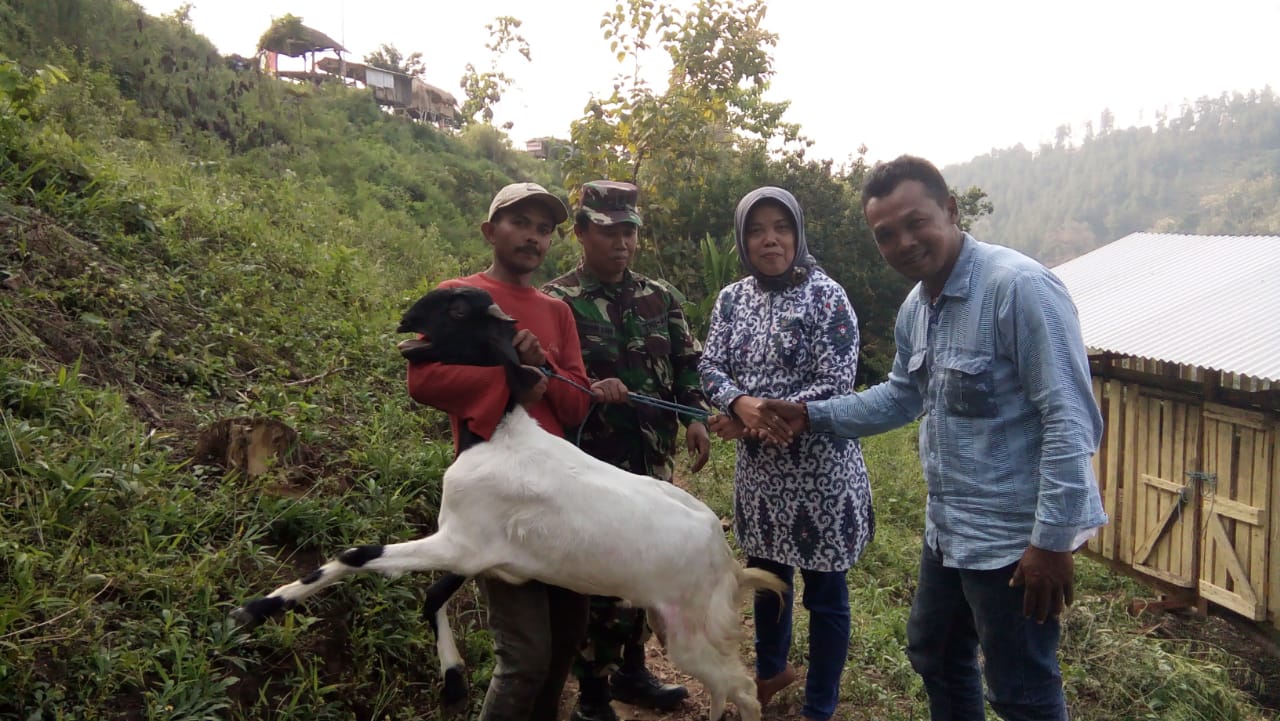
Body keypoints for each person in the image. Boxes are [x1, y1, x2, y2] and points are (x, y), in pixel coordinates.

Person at [754, 155, 1108, 721]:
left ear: (950, 209)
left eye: (916, 222)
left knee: (1022, 691)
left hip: (1015, 543)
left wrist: (1053, 540)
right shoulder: (917, 308)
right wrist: (810, 414)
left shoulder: (1018, 288)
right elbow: (900, 395)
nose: (903, 242)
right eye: (886, 234)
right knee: (935, 653)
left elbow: (1069, 416)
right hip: (949, 529)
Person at [406, 181, 593, 721]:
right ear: (490, 231)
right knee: (525, 655)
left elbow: (576, 404)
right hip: (499, 496)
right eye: (520, 223)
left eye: (544, 229)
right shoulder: (459, 298)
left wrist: (545, 370)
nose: (533, 237)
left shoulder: (557, 312)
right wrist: (509, 379)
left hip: (557, 491)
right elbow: (424, 379)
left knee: (567, 635)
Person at [698, 186, 875, 721]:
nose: (769, 239)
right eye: (756, 229)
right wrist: (740, 402)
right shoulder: (732, 299)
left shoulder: (827, 297)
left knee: (826, 596)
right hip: (762, 480)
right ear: (742, 239)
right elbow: (710, 366)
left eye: (780, 227)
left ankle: (820, 706)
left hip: (822, 474)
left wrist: (759, 419)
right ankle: (771, 672)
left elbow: (837, 382)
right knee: (768, 583)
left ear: (798, 234)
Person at [542, 180, 712, 721]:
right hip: (591, 467)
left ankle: (633, 672)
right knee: (598, 575)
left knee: (645, 568)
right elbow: (546, 381)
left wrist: (696, 418)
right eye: (609, 230)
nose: (622, 242)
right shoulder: (556, 301)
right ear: (582, 232)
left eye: (629, 231)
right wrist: (589, 387)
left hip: (651, 461)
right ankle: (592, 696)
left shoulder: (658, 298)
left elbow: (688, 364)